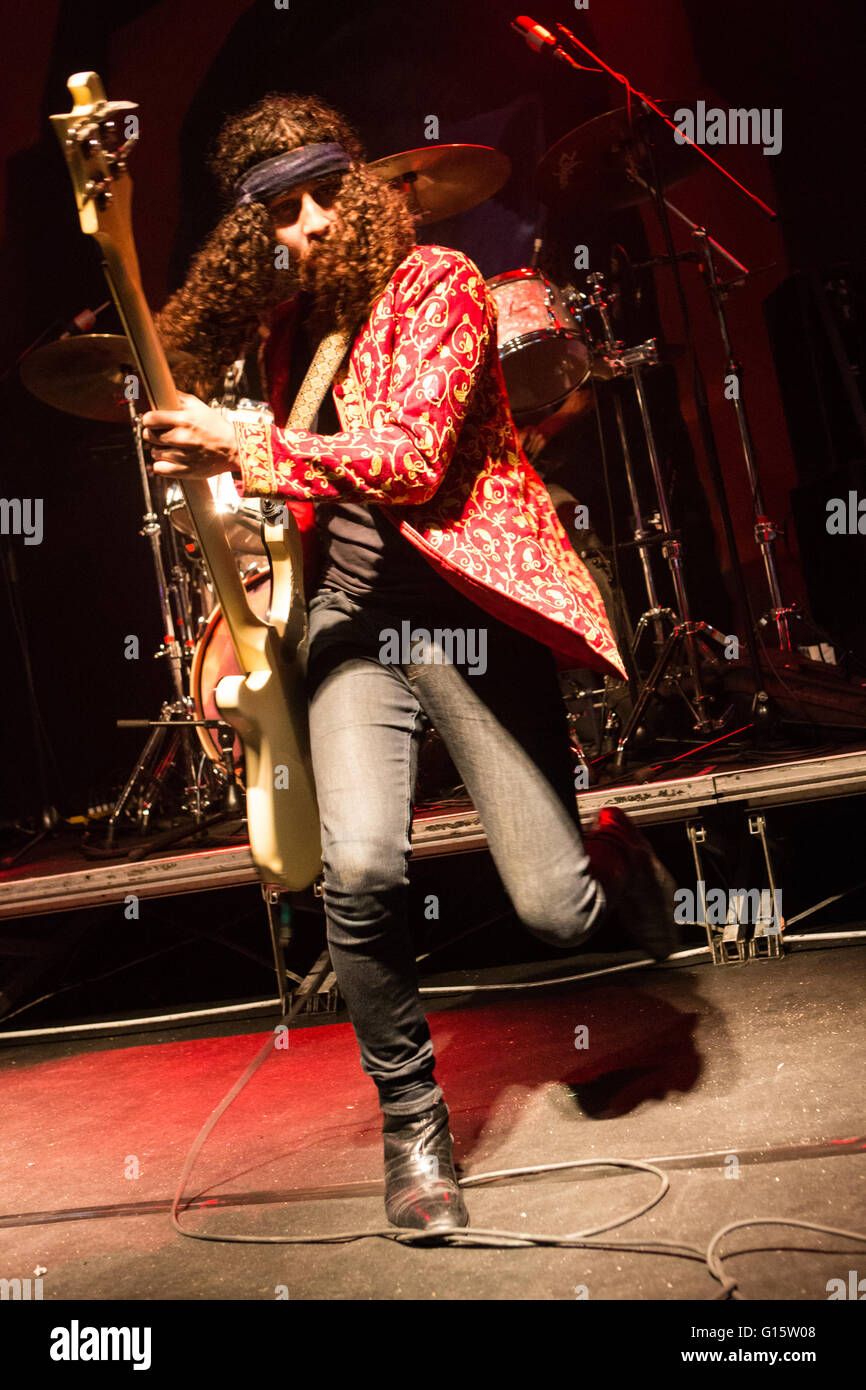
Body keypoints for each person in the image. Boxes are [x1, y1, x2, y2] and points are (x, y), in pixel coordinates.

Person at [143, 94, 679, 1234]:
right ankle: (413, 1128)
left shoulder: (435, 284)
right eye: (279, 216)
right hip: (349, 629)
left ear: (370, 189)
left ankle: (609, 860)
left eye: (323, 196)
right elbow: (295, 479)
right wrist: (227, 497)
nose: (306, 228)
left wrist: (245, 442)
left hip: (466, 618)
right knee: (361, 868)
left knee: (552, 911)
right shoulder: (290, 338)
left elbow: (406, 461)